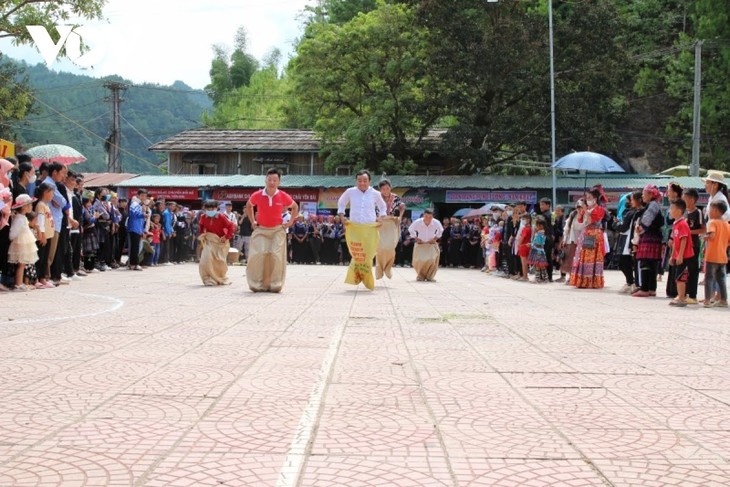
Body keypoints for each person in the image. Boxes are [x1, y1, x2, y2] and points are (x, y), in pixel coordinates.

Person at [245, 167, 298, 292]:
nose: (272, 182)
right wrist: (253, 221)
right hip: (261, 229)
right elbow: (249, 205)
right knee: (258, 254)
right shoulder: (257, 195)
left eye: (275, 180)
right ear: (265, 180)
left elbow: (295, 207)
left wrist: (290, 222)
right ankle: (256, 283)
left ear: (279, 182)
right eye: (269, 179)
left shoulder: (283, 195)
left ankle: (276, 284)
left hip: (277, 230)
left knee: (276, 255)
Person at [337, 169, 386, 290]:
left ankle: (366, 277)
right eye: (359, 180)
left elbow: (382, 206)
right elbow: (341, 203)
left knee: (368, 255)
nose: (362, 183)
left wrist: (381, 218)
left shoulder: (375, 193)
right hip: (354, 228)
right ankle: (357, 276)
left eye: (365, 180)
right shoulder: (350, 192)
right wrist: (342, 216)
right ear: (356, 181)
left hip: (370, 229)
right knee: (357, 253)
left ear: (369, 181)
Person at [570, 188, 606, 289]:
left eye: (589, 197)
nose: (588, 199)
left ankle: (592, 281)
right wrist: (580, 211)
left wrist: (585, 211)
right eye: (587, 198)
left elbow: (590, 221)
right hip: (585, 233)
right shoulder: (588, 209)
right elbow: (580, 221)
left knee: (591, 258)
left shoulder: (599, 209)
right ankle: (582, 280)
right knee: (583, 257)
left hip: (594, 234)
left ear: (595, 199)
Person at [632, 185, 665, 297]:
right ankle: (651, 288)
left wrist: (639, 228)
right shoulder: (654, 205)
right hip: (655, 236)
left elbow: (646, 220)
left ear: (651, 194)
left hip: (649, 236)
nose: (642, 196)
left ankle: (645, 288)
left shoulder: (652, 205)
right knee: (652, 263)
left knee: (646, 261)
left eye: (644, 193)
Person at [198, 199, 236, 286]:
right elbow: (201, 226)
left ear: (216, 208)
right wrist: (202, 235)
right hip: (209, 241)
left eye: (212, 209)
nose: (210, 211)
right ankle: (208, 279)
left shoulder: (221, 217)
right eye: (208, 209)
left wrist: (226, 237)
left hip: (220, 242)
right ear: (205, 209)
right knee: (206, 259)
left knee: (219, 262)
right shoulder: (203, 217)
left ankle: (219, 277)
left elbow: (231, 226)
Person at [8, 194, 39, 291]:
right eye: (30, 205)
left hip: (24, 243)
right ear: (24, 207)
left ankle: (20, 283)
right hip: (21, 244)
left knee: (23, 264)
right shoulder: (19, 219)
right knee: (21, 264)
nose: (32, 206)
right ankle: (18, 284)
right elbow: (13, 233)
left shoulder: (23, 217)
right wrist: (15, 239)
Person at [667, 199, 694, 307]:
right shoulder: (676, 224)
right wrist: (673, 255)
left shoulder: (682, 224)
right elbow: (674, 242)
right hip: (679, 255)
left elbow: (684, 240)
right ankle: (680, 295)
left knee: (681, 277)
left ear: (679, 211)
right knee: (677, 277)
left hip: (685, 256)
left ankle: (682, 298)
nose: (669, 211)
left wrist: (681, 255)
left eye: (672, 208)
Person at [702, 200, 729, 308]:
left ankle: (707, 300)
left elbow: (712, 236)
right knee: (721, 279)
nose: (709, 212)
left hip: (712, 255)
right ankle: (723, 300)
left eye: (711, 209)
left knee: (709, 278)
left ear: (717, 211)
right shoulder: (727, 224)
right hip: (722, 256)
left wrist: (705, 237)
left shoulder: (712, 222)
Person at [375, 179, 403, 279]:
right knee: (380, 248)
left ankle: (388, 268)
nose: (386, 190)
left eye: (387, 188)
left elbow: (402, 206)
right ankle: (379, 270)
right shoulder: (376, 197)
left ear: (390, 188)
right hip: (380, 224)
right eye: (383, 189)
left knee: (390, 247)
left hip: (391, 223)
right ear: (380, 189)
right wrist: (376, 218)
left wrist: (400, 217)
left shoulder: (395, 197)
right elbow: (370, 209)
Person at [682, 188, 704, 305]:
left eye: (684, 198)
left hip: (693, 245)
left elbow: (703, 229)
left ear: (691, 199)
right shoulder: (684, 212)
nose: (683, 200)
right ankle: (682, 293)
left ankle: (692, 296)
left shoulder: (698, 212)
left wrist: (689, 232)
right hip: (683, 246)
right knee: (682, 270)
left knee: (693, 270)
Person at [409, 209, 444, 282]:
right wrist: (416, 237)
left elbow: (441, 230)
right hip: (420, 244)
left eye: (430, 217)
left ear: (432, 216)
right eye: (426, 216)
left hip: (431, 244)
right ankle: (420, 275)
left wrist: (435, 238)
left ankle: (430, 276)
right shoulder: (418, 222)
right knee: (419, 261)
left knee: (431, 260)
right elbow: (410, 229)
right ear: (423, 215)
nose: (428, 218)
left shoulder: (436, 222)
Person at [127, 189, 148, 271]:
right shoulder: (135, 203)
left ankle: (133, 263)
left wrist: (142, 230)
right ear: (138, 195)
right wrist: (143, 214)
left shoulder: (141, 205)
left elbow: (142, 221)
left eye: (145, 196)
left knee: (136, 247)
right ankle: (134, 264)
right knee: (134, 247)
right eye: (142, 195)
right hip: (134, 227)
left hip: (138, 228)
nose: (144, 197)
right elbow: (133, 213)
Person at [528, 217, 549, 284]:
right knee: (540, 265)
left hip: (538, 251)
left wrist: (531, 245)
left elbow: (539, 243)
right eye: (537, 225)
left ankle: (538, 278)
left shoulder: (540, 234)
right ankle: (543, 278)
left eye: (540, 225)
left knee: (538, 265)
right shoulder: (541, 233)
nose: (538, 227)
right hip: (538, 251)